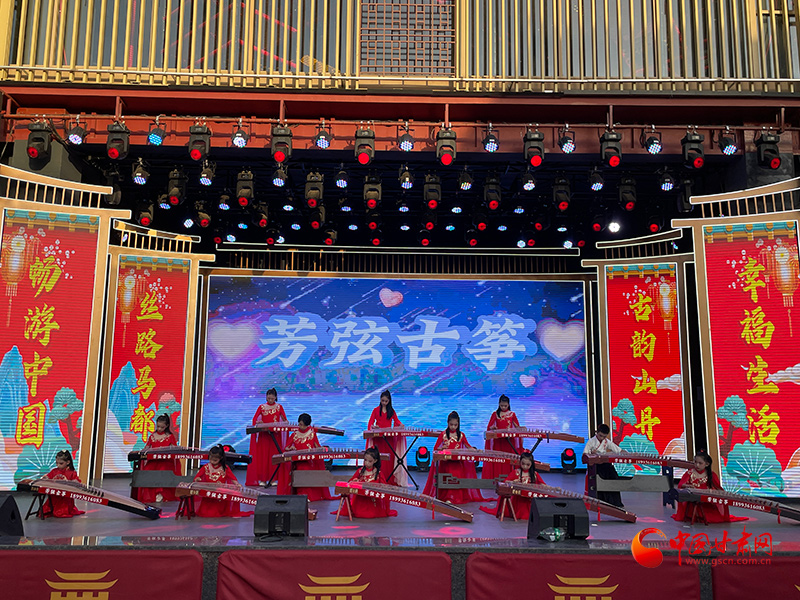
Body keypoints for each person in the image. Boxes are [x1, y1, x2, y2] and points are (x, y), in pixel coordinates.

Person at [422, 411, 484, 504]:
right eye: (451, 425)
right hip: (446, 462)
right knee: (450, 473)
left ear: (458, 424)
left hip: (457, 462)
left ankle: (455, 497)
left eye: (455, 425)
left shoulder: (461, 435)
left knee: (456, 473)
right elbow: (436, 449)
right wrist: (441, 448)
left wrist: (476, 451)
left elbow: (468, 446)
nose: (453, 427)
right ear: (448, 423)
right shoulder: (443, 434)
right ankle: (449, 497)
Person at [672, 451, 748, 524]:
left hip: (706, 501)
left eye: (700, 463)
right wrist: (688, 486)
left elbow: (718, 488)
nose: (697, 465)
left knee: (714, 518)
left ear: (707, 464)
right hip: (693, 500)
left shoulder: (711, 474)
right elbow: (681, 485)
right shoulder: (689, 473)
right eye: (695, 462)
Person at [277, 413, 334, 501]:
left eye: (303, 425)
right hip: (298, 461)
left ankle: (307, 495)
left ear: (307, 425)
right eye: (300, 424)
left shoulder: (312, 434)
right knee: (300, 469)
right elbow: (286, 448)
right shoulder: (294, 434)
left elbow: (317, 447)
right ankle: (301, 494)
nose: (301, 427)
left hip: (309, 461)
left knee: (307, 469)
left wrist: (322, 449)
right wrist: (291, 448)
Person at [333, 447, 398, 518]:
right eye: (365, 460)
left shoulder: (378, 473)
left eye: (370, 461)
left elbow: (384, 488)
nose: (366, 463)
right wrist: (355, 481)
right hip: (361, 500)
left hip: (372, 501)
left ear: (375, 461)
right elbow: (350, 482)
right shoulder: (360, 471)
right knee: (359, 513)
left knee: (372, 514)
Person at [192, 445, 253, 517]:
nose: (212, 461)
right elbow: (196, 478)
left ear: (220, 458)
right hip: (209, 493)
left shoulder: (225, 468)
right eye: (211, 459)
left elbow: (232, 478)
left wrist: (237, 484)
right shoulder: (205, 467)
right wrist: (198, 479)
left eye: (215, 460)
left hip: (220, 495)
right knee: (206, 513)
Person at [480, 452, 544, 520]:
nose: (525, 466)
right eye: (523, 464)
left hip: (528, 499)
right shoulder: (516, 472)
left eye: (528, 465)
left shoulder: (534, 474)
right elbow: (505, 482)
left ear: (531, 464)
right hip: (517, 499)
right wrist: (513, 482)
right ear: (520, 462)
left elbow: (542, 484)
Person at [246, 388, 288, 486]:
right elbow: (254, 419)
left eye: (272, 398)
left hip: (275, 436)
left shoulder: (279, 407)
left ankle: (273, 479)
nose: (270, 400)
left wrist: (282, 424)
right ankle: (263, 479)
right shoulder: (262, 407)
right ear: (266, 397)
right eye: (268, 398)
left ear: (275, 397)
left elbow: (285, 420)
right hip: (264, 436)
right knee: (263, 457)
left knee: (274, 457)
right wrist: (258, 422)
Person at [136, 414, 181, 503]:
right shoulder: (152, 436)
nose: (159, 429)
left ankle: (161, 494)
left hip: (165, 461)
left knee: (162, 470)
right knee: (148, 470)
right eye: (158, 426)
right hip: (153, 460)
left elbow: (174, 449)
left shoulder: (170, 436)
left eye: (162, 427)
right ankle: (152, 494)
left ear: (166, 426)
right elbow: (147, 447)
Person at [366, 390, 405, 486]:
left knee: (389, 459)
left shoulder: (391, 411)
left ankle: (388, 478)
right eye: (382, 400)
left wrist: (400, 424)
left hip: (388, 438)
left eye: (386, 401)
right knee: (378, 458)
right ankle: (377, 478)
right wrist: (373, 427)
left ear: (389, 401)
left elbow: (397, 421)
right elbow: (370, 423)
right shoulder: (376, 410)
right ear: (380, 400)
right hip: (378, 438)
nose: (384, 403)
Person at [582, 424, 625, 508]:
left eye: (604, 436)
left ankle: (615, 502)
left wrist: (628, 454)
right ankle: (601, 502)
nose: (602, 438)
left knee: (614, 477)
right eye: (600, 435)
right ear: (597, 432)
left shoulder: (606, 441)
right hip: (596, 466)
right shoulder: (591, 441)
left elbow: (618, 450)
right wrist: (591, 453)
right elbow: (585, 454)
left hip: (605, 464)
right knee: (599, 481)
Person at [482, 394, 522, 482]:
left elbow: (517, 427)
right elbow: (489, 427)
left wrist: (522, 429)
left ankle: (509, 479)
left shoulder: (512, 414)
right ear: (499, 404)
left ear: (508, 405)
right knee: (499, 459)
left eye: (505, 406)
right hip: (498, 441)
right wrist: (493, 428)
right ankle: (498, 479)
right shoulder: (495, 414)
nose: (503, 407)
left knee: (509, 459)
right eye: (501, 405)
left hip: (509, 441)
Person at [40, 450, 85, 518]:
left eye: (61, 463)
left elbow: (77, 482)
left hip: (65, 498)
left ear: (68, 462)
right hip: (54, 496)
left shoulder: (72, 472)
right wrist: (45, 478)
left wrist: (71, 482)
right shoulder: (54, 471)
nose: (58, 465)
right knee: (44, 511)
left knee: (60, 512)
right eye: (56, 463)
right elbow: (48, 477)